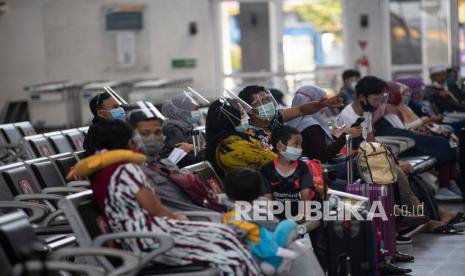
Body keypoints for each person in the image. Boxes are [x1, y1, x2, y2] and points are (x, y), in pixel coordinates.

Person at [75, 119, 260, 275]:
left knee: (227, 237)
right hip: (153, 241)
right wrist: (181, 220)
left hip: (139, 239)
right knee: (228, 250)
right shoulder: (126, 170)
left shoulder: (103, 171)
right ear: (127, 141)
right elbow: (157, 210)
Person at [128, 110, 210, 212]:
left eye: (157, 132)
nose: (153, 137)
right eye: (145, 133)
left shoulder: (166, 164)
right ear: (133, 140)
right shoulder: (134, 173)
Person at [287, 85, 363, 190]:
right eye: (322, 103)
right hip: (317, 175)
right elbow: (322, 155)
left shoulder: (293, 122)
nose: (324, 107)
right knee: (358, 169)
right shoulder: (310, 125)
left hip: (307, 173)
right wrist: (345, 135)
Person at [237, 85, 342, 144]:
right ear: (248, 109)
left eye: (268, 99)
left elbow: (302, 110)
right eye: (261, 102)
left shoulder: (275, 117)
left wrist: (323, 103)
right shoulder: (248, 132)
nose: (267, 103)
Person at [205, 98, 277, 176]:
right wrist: (267, 151)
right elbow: (278, 162)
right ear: (228, 119)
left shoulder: (235, 139)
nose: (247, 118)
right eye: (242, 114)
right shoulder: (232, 145)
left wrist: (265, 150)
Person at [260, 125, 319, 219]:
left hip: (300, 217)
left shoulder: (302, 168)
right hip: (278, 217)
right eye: (296, 144)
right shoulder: (267, 169)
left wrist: (304, 217)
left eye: (301, 145)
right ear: (280, 146)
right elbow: (267, 198)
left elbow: (306, 195)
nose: (300, 148)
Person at [160, 94, 204, 167]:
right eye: (195, 109)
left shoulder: (187, 126)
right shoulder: (172, 128)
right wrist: (197, 149)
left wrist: (194, 147)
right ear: (183, 110)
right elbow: (185, 155)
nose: (197, 112)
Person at [83, 92, 125, 156]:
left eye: (119, 107)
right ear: (101, 113)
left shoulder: (114, 128)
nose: (121, 110)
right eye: (115, 107)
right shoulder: (101, 134)